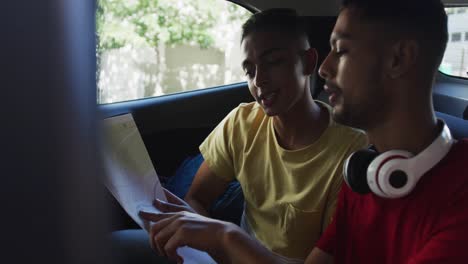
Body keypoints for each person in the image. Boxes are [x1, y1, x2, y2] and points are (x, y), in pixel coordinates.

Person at [141, 0, 468, 263]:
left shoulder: (457, 198)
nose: (324, 69)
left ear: (399, 59)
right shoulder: (366, 174)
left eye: (341, 50)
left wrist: (226, 237)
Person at [140, 8, 366, 263]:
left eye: (273, 62)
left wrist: (226, 237)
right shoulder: (242, 123)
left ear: (309, 62)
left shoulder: (351, 154)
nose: (259, 80)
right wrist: (212, 248)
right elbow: (196, 198)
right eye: (249, 70)